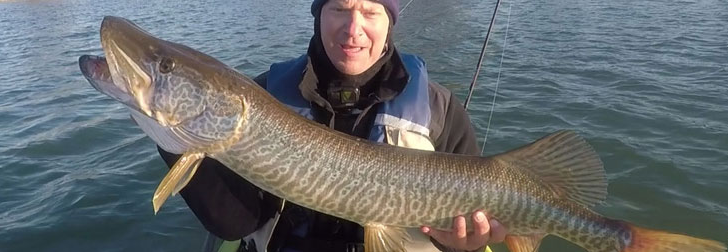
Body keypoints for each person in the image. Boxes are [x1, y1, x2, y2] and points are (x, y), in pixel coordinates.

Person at [157, 0, 508, 251]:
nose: (353, 29)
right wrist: (171, 136)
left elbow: (465, 228)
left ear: (389, 22)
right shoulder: (262, 98)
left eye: (370, 11)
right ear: (318, 15)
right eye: (339, 8)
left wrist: (462, 245)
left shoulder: (442, 110)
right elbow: (235, 223)